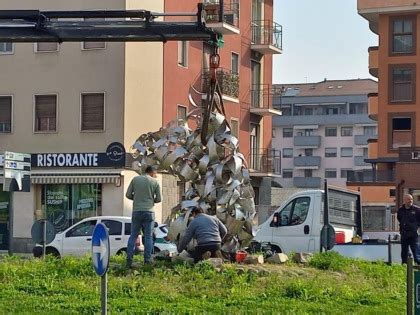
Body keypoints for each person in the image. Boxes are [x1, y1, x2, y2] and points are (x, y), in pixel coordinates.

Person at [126, 165, 161, 267]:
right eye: (155, 174)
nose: (156, 176)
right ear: (152, 172)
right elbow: (159, 199)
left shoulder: (135, 179)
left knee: (133, 235)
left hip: (136, 211)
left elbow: (128, 195)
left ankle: (129, 260)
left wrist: (136, 199)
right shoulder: (154, 182)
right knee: (148, 237)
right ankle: (147, 260)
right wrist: (150, 200)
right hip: (149, 212)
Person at [397, 194, 420, 264]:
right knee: (404, 255)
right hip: (404, 235)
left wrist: (416, 228)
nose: (410, 201)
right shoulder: (400, 210)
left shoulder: (417, 210)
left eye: (411, 199)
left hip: (414, 235)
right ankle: (404, 271)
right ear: (404, 200)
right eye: (408, 199)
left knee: (417, 255)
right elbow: (399, 219)